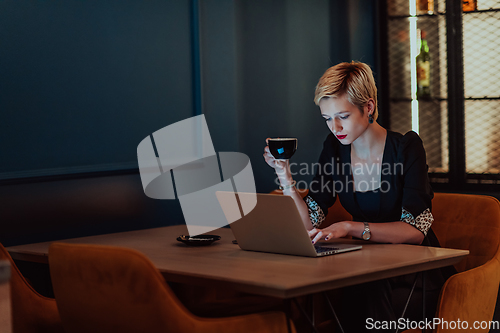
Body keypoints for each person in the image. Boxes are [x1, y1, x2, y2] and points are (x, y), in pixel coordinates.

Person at [263, 61, 455, 332]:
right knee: (329, 298)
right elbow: (308, 223)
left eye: (343, 115)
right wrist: (284, 175)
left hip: (413, 273)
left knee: (368, 303)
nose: (335, 127)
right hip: (363, 268)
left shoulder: (407, 148)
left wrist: (350, 227)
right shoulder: (334, 149)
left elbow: (415, 231)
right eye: (327, 118)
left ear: (369, 107)